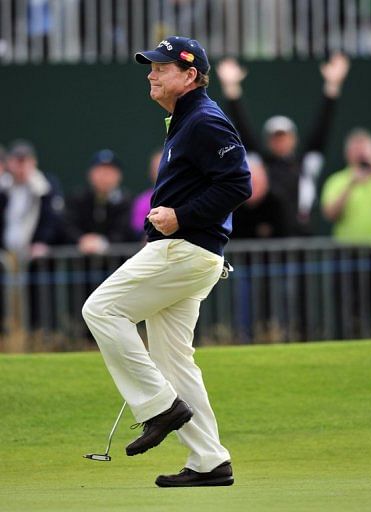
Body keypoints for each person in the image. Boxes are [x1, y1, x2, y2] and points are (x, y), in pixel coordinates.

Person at [82, 36, 251, 487]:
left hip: (187, 249)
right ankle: (209, 460)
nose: (151, 73)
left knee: (101, 309)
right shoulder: (185, 120)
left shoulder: (205, 120)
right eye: (151, 66)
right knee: (174, 360)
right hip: (190, 252)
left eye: (161, 66)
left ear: (190, 75)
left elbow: (238, 185)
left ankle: (159, 407)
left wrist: (181, 216)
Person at [216, 54, 350, 235]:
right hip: (267, 235)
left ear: (293, 139)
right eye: (275, 137)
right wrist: (231, 87)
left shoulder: (306, 163)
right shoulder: (260, 162)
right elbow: (242, 126)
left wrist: (333, 86)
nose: (280, 141)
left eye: (284, 136)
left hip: (299, 235)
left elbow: (322, 129)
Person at [321, 129, 371, 249]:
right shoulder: (337, 180)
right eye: (356, 151)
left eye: (365, 150)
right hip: (350, 256)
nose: (362, 155)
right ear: (348, 154)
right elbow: (330, 214)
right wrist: (351, 184)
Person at [64, 149, 137, 254]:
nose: (104, 176)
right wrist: (82, 239)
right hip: (81, 264)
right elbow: (68, 225)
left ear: (119, 176)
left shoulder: (127, 201)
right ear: (90, 174)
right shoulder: (78, 197)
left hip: (119, 264)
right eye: (100, 171)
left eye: (109, 172)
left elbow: (125, 229)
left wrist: (103, 243)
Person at [0, 140, 64, 258]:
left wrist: (42, 241)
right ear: (9, 163)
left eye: (25, 161)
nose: (21, 167)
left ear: (33, 162)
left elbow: (53, 218)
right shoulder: (3, 186)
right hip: (6, 257)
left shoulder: (45, 185)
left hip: (35, 259)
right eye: (17, 161)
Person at [232, 152, 288, 239]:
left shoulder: (276, 205)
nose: (251, 188)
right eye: (248, 183)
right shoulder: (233, 207)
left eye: (255, 183)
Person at [130, 148, 162, 239]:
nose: (160, 171)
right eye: (157, 167)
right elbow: (138, 228)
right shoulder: (143, 201)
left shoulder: (185, 196)